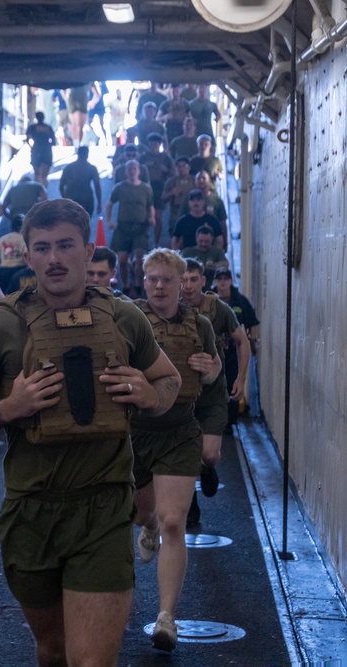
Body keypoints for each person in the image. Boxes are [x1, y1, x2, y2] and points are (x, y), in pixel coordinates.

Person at [0, 198, 181, 667]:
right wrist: (10, 407)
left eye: (66, 245)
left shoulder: (125, 318)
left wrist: (149, 397)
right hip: (30, 511)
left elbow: (168, 379)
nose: (54, 258)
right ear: (27, 256)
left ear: (87, 252)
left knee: (90, 661)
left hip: (105, 506)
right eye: (42, 248)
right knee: (53, 650)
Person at [131, 250, 221, 653]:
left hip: (180, 430)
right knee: (142, 514)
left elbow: (216, 368)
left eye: (167, 279)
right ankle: (146, 526)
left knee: (173, 522)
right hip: (134, 430)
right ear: (144, 280)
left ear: (182, 282)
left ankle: (166, 617)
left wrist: (211, 368)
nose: (159, 286)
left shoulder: (199, 324)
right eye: (152, 279)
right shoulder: (129, 319)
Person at [181, 259, 250, 527]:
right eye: (183, 279)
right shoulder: (169, 308)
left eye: (193, 279)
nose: (187, 285)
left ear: (203, 281)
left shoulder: (218, 309)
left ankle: (207, 469)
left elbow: (242, 341)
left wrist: (240, 378)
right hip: (182, 394)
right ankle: (190, 506)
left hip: (212, 393)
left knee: (208, 454)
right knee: (184, 454)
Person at [211, 267, 260, 429]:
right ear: (215, 281)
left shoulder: (240, 301)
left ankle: (229, 422)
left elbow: (252, 323)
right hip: (212, 352)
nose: (223, 282)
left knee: (232, 385)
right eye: (220, 279)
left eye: (226, 278)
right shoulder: (208, 300)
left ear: (231, 281)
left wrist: (253, 343)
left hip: (232, 352)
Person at [106, 160, 155, 295]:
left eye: (134, 168)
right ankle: (126, 285)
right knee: (122, 259)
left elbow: (150, 206)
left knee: (140, 258)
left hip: (140, 228)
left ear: (138, 171)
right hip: (123, 227)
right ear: (126, 171)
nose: (132, 171)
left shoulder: (146, 188)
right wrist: (109, 221)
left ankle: (138, 284)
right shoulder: (119, 187)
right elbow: (109, 204)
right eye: (129, 169)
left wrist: (152, 218)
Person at [139, 133, 175, 247]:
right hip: (145, 188)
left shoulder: (166, 157)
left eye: (156, 143)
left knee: (157, 217)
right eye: (151, 143)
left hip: (160, 187)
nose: (153, 146)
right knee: (144, 216)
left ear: (159, 144)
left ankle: (156, 243)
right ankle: (143, 242)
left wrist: (166, 170)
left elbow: (173, 173)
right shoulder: (143, 157)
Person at [59, 146, 101, 219]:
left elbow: (61, 186)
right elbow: (97, 186)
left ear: (78, 154)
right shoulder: (91, 168)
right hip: (87, 198)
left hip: (71, 197)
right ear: (87, 155)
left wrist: (65, 199)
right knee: (85, 222)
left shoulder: (69, 167)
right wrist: (99, 203)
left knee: (71, 222)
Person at [162, 157, 196, 240]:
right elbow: (163, 198)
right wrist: (172, 193)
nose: (181, 169)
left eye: (184, 166)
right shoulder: (171, 181)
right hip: (175, 213)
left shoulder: (194, 180)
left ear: (189, 167)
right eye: (179, 166)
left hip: (191, 212)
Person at [0, 215, 29, 291]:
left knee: (4, 296)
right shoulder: (24, 238)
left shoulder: (3, 238)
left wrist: (4, 259)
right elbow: (27, 255)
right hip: (19, 270)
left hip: (3, 271)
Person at [26, 112, 58, 187]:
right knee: (44, 176)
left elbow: (27, 139)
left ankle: (36, 192)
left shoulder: (32, 128)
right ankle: (44, 191)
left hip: (36, 150)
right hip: (46, 151)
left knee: (37, 174)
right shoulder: (48, 127)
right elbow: (53, 142)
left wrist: (31, 146)